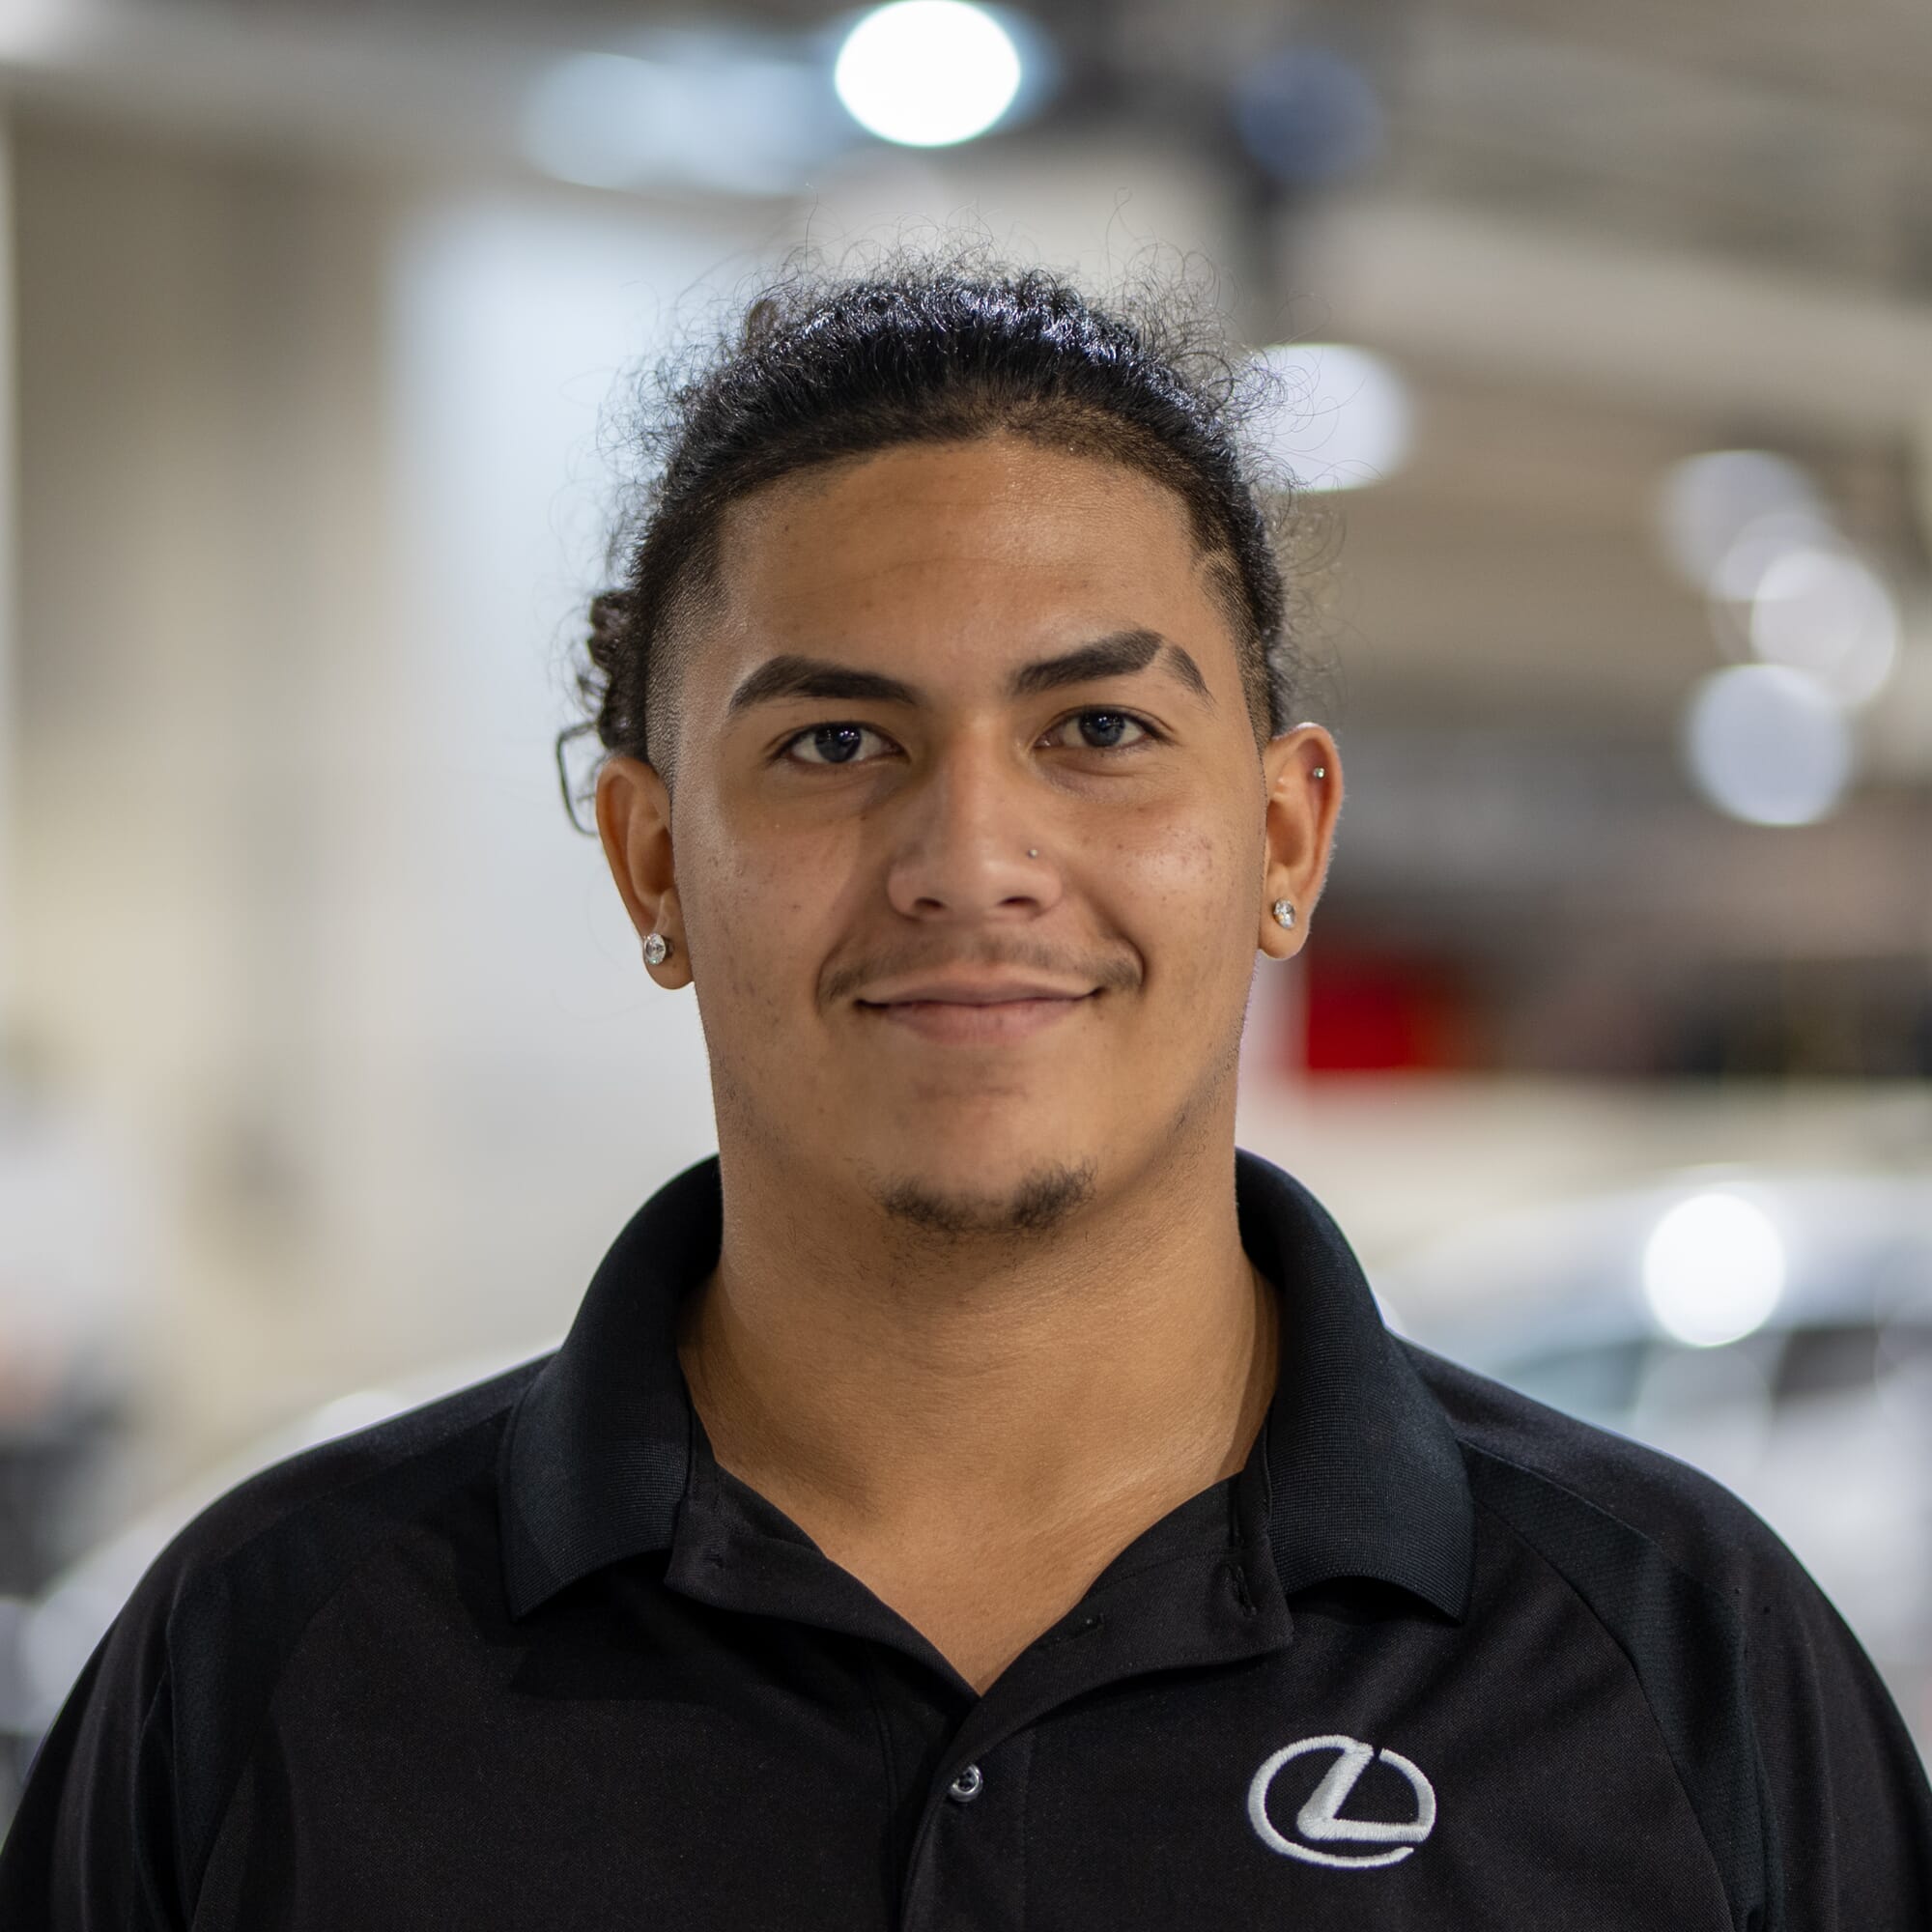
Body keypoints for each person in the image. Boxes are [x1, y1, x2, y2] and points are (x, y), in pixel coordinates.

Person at [3, 247, 1927, 1929]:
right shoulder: (262, 1661)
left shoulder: (1680, 1658)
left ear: (1283, 837)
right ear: (653, 863)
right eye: (837, 742)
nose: (972, 858)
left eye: (1098, 726)